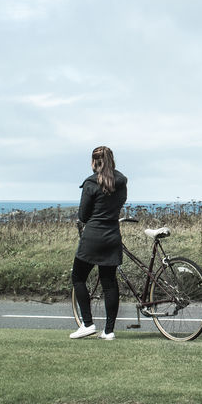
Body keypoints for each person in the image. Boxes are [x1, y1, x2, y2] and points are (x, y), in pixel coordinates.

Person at [70, 145, 128, 340]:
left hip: (93, 236)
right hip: (112, 236)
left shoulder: (91, 183)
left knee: (78, 277)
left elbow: (83, 215)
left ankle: (87, 324)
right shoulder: (121, 182)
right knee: (109, 283)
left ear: (94, 162)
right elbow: (119, 205)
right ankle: (109, 331)